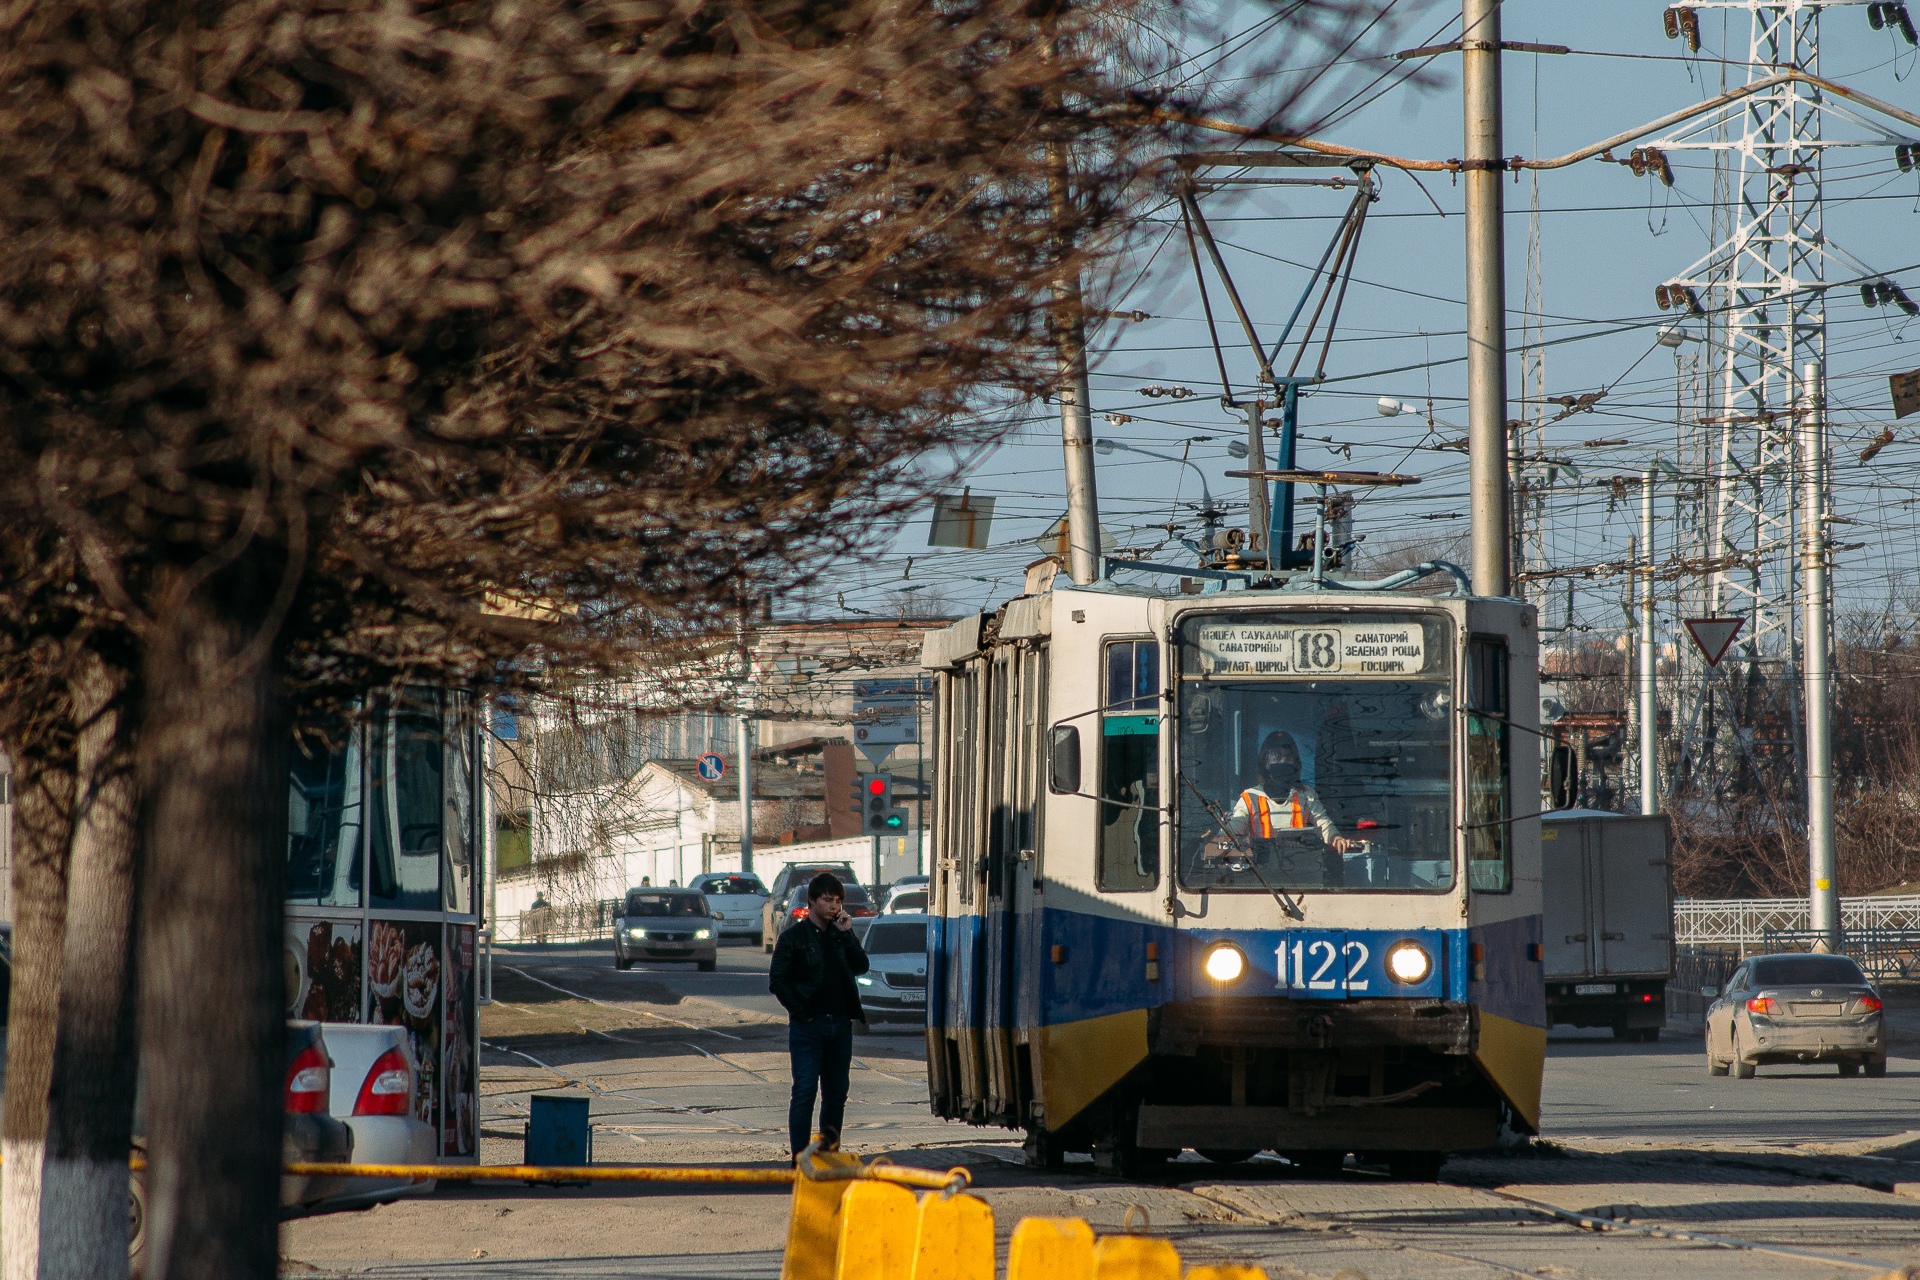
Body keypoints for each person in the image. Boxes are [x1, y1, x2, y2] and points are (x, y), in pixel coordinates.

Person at [768, 871, 869, 1162]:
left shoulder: (840, 935)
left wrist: (848, 933)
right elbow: (778, 980)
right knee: (805, 1091)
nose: (833, 906)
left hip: (840, 1025)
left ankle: (828, 1156)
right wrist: (802, 1013)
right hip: (808, 1027)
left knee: (836, 1093)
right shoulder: (793, 937)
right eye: (827, 900)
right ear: (812, 901)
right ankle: (800, 1159)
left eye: (838, 901)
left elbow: (861, 966)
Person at [1227, 731, 1359, 859]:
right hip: (1260, 868)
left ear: (1295, 763)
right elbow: (1233, 829)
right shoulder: (1250, 797)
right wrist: (1220, 838)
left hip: (1301, 867)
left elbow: (1324, 824)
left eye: (1288, 758)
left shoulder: (1306, 795)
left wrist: (1335, 838)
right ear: (1265, 762)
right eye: (1277, 757)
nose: (1283, 761)